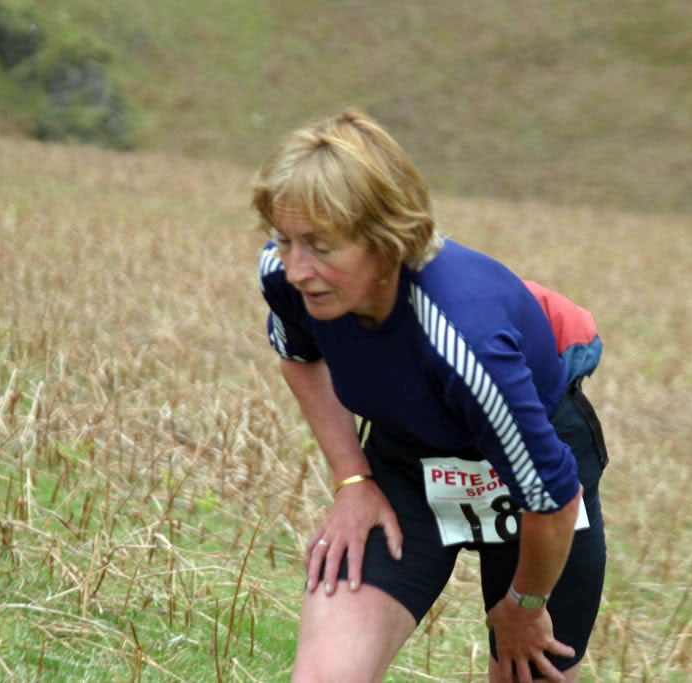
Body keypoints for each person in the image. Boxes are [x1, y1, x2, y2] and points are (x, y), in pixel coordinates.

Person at [252, 109, 608, 682]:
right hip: (406, 465)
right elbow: (300, 357)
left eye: (320, 246)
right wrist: (352, 479)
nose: (296, 268)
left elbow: (555, 500)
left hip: (533, 492)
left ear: (386, 240)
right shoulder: (284, 276)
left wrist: (524, 606)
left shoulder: (465, 339)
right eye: (285, 239)